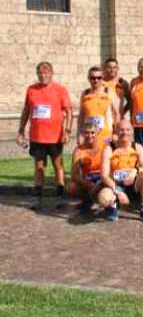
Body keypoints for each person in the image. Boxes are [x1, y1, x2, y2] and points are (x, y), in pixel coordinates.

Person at [17, 61, 73, 209]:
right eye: (40, 72)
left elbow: (69, 112)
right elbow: (26, 111)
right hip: (37, 136)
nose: (43, 75)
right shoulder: (31, 90)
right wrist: (21, 129)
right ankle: (37, 198)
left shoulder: (60, 90)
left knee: (58, 166)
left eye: (46, 72)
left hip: (55, 136)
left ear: (51, 73)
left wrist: (67, 132)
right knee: (39, 167)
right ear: (37, 74)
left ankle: (60, 197)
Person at [97, 120, 143, 222]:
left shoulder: (137, 147)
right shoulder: (109, 149)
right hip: (114, 185)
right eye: (121, 130)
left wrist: (136, 171)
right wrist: (118, 191)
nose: (125, 132)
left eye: (128, 130)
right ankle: (112, 206)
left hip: (134, 184)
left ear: (132, 132)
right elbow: (104, 175)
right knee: (104, 199)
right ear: (115, 131)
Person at [77, 66, 119, 146]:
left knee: (106, 156)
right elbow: (81, 115)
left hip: (106, 135)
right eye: (93, 78)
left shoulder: (109, 92)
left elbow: (116, 114)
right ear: (89, 78)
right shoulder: (85, 93)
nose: (96, 80)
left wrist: (115, 133)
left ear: (102, 78)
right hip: (89, 136)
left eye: (99, 78)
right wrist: (79, 133)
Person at [70, 122, 103, 211]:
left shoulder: (104, 147)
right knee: (72, 187)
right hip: (88, 178)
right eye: (87, 133)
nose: (90, 135)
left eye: (92, 132)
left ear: (97, 133)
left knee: (102, 188)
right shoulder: (78, 150)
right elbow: (74, 174)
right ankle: (88, 199)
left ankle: (91, 200)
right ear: (83, 134)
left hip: (102, 177)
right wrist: (87, 183)